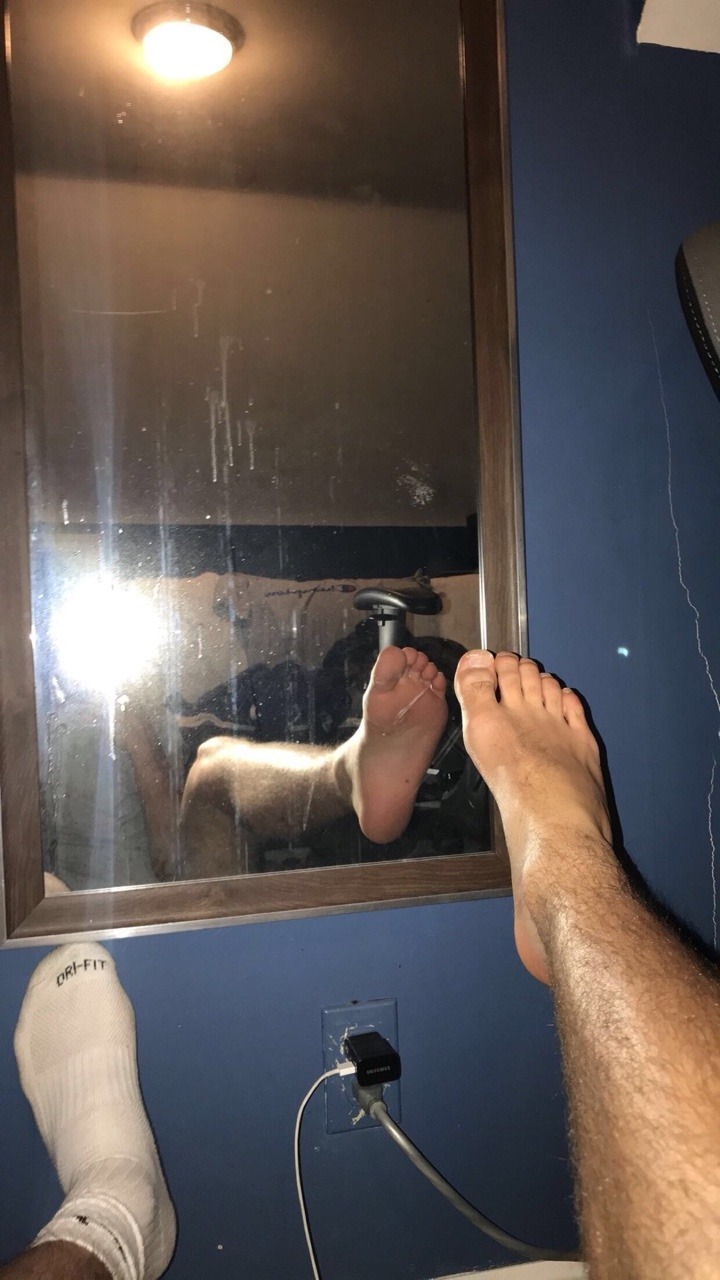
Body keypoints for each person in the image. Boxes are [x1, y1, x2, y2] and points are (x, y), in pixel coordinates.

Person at [6, 649, 720, 1279]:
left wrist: (133, 735)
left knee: (214, 761)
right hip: (132, 878)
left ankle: (361, 772)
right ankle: (563, 865)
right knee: (211, 768)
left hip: (143, 869)